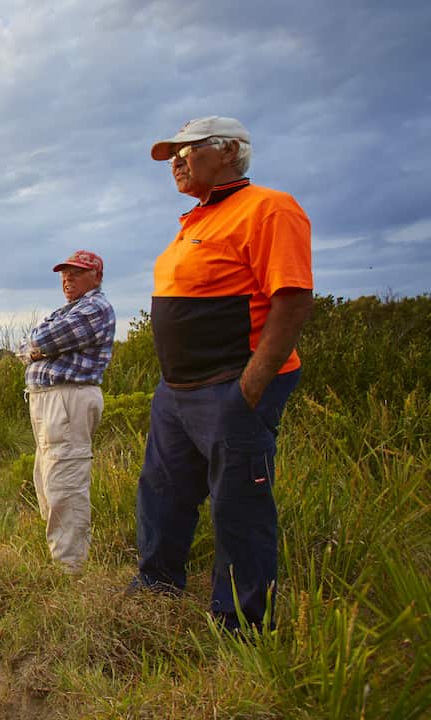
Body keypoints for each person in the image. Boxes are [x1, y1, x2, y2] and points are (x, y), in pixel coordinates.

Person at [130, 116, 314, 633]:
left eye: (186, 150)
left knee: (238, 506)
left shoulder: (269, 208)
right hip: (178, 390)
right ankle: (156, 587)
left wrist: (249, 389)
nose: (176, 162)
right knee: (162, 492)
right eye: (172, 155)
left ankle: (241, 624)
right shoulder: (197, 219)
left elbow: (293, 300)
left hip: (231, 385)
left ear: (229, 150)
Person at [21, 250, 116, 574]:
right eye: (64, 273)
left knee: (65, 479)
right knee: (48, 477)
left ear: (97, 277)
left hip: (67, 400)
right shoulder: (68, 310)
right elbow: (30, 343)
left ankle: (71, 568)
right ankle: (62, 559)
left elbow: (42, 338)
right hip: (50, 401)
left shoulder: (95, 307)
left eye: (76, 272)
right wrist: (36, 347)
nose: (67, 278)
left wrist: (37, 347)